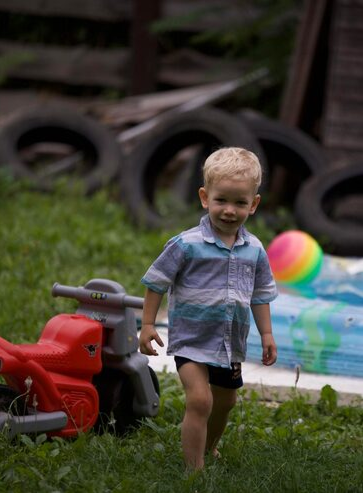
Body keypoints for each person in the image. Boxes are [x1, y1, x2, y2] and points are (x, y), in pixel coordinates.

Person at [139, 147, 278, 470]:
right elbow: (156, 282)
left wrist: (267, 334)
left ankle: (210, 447)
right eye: (221, 200)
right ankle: (194, 470)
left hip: (229, 343)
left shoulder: (255, 250)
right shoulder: (186, 244)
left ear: (254, 204)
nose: (229, 210)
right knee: (200, 400)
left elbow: (260, 295)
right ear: (205, 197)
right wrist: (147, 325)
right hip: (191, 339)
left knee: (225, 402)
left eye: (240, 203)